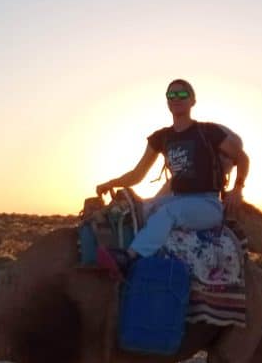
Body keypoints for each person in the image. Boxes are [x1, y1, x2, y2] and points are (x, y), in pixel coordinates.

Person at [95, 79, 249, 274]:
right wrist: (111, 183)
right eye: (171, 95)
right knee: (138, 211)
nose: (176, 98)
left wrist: (238, 188)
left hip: (207, 203)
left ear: (193, 100)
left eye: (182, 94)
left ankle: (129, 257)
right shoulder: (162, 137)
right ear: (167, 101)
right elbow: (137, 174)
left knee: (168, 214)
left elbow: (242, 158)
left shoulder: (208, 132)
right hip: (175, 199)